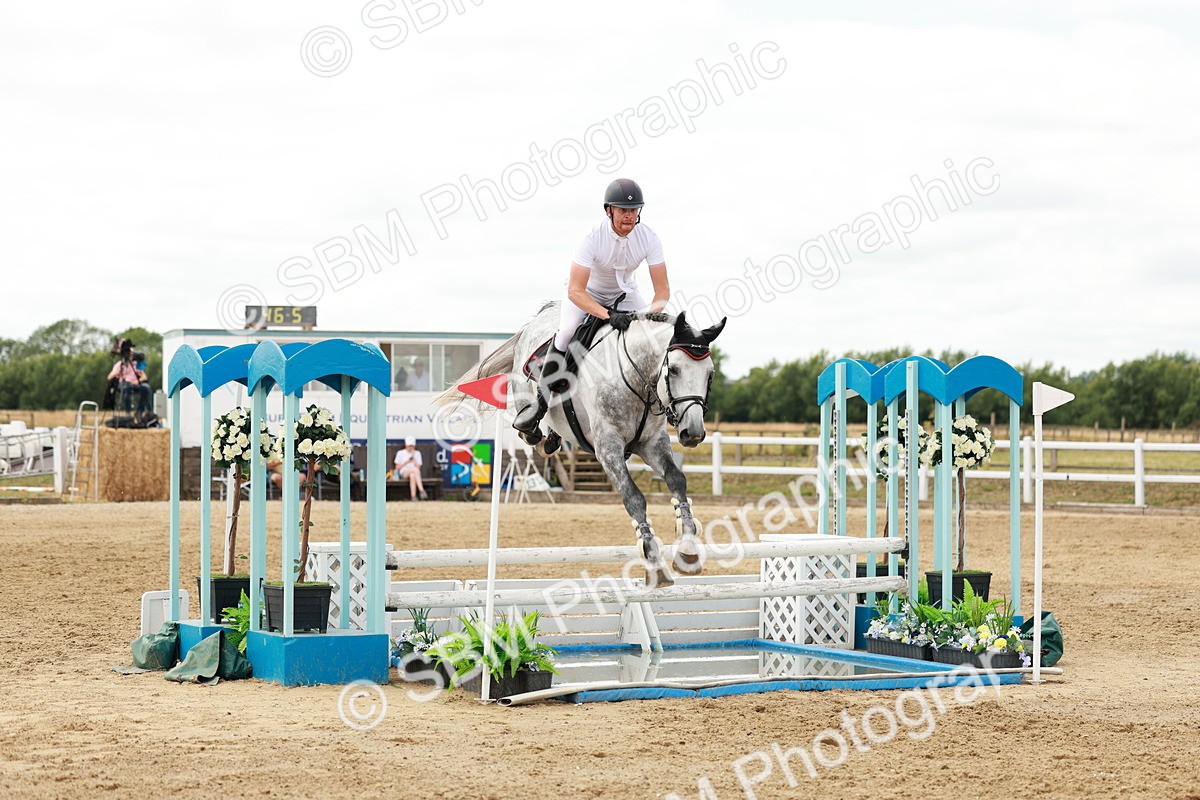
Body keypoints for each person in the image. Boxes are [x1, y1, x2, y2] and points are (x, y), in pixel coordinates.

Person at [513, 178, 671, 440]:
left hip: (626, 293)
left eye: (633, 211)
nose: (629, 216)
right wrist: (608, 315)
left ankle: (660, 404)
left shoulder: (649, 238)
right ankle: (540, 406)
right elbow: (576, 290)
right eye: (623, 210)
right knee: (566, 333)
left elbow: (662, 291)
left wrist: (649, 317)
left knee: (654, 335)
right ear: (609, 210)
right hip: (586, 293)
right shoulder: (592, 238)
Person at [107, 339, 152, 418]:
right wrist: (117, 373)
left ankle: (139, 412)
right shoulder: (120, 364)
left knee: (146, 388)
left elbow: (144, 376)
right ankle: (127, 413)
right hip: (124, 385)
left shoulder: (136, 364)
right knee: (126, 388)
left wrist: (136, 381)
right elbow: (109, 377)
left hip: (135, 384)